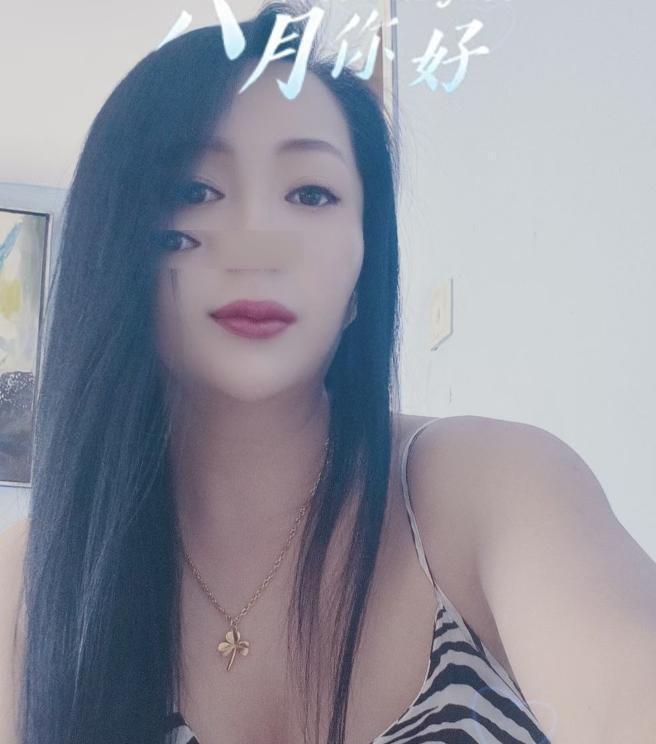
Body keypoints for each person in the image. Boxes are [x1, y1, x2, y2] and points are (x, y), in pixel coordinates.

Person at [2, 2, 655, 744]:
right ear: (114, 244)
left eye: (311, 194)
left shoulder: (489, 491)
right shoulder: (30, 585)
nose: (259, 245)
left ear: (361, 274)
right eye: (194, 190)